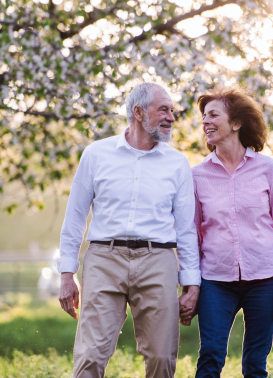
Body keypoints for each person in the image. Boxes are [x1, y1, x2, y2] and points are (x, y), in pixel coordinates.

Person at [58, 82, 201, 378]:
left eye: (172, 111)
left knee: (162, 358)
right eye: (163, 109)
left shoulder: (177, 163)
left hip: (158, 260)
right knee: (90, 356)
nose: (171, 117)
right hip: (104, 259)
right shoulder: (97, 154)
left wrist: (192, 283)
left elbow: (187, 229)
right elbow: (75, 217)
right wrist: (66, 274)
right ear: (138, 112)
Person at [182, 87, 273, 378]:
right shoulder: (196, 176)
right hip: (216, 280)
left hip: (265, 277)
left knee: (255, 365)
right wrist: (191, 285)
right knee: (210, 355)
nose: (205, 122)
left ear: (235, 123)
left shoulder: (267, 169)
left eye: (213, 115)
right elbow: (192, 237)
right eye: (203, 117)